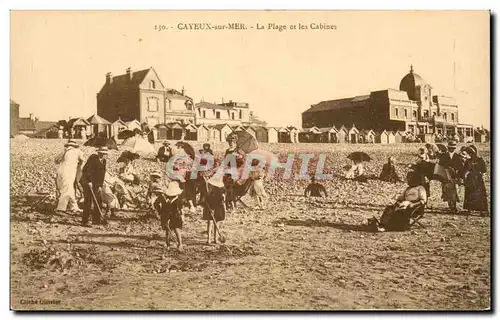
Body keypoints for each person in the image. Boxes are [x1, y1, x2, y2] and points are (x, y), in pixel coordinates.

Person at [80, 147, 109, 226]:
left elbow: (102, 175)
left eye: (104, 154)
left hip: (97, 184)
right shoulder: (93, 158)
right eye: (102, 154)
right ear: (99, 153)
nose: (103, 155)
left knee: (98, 201)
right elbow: (86, 170)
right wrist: (89, 181)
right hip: (88, 182)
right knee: (88, 201)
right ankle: (85, 221)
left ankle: (96, 220)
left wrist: (100, 186)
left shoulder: (104, 161)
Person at [54, 140, 84, 213]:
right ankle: (60, 208)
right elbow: (82, 160)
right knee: (66, 190)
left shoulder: (64, 152)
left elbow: (56, 161)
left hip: (60, 172)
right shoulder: (78, 151)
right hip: (69, 173)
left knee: (70, 190)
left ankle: (74, 207)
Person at [154, 181, 184, 251]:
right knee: (168, 231)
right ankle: (168, 245)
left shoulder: (179, 200)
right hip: (167, 216)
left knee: (177, 230)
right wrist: (160, 211)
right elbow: (156, 204)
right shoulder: (164, 197)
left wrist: (182, 216)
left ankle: (180, 244)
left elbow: (180, 210)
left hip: (176, 217)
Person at [461, 147, 489, 215]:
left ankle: (472, 210)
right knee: (476, 194)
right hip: (476, 179)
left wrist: (463, 178)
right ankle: (480, 210)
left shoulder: (470, 161)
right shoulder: (478, 160)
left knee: (472, 194)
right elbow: (484, 171)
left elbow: (464, 171)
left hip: (473, 179)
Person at [437, 140, 462, 212]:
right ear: (448, 148)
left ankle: (453, 205)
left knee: (454, 190)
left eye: (453, 148)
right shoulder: (443, 155)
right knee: (447, 190)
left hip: (454, 175)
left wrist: (456, 171)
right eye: (450, 148)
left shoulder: (457, 156)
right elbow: (440, 165)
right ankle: (450, 205)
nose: (452, 149)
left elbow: (460, 165)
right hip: (445, 175)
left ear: (455, 148)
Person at [203, 175, 226, 244]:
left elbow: (220, 201)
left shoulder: (220, 191)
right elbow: (207, 199)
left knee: (216, 222)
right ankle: (209, 239)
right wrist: (209, 207)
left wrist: (213, 209)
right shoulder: (210, 190)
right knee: (210, 223)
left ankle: (215, 239)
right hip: (210, 207)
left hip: (218, 208)